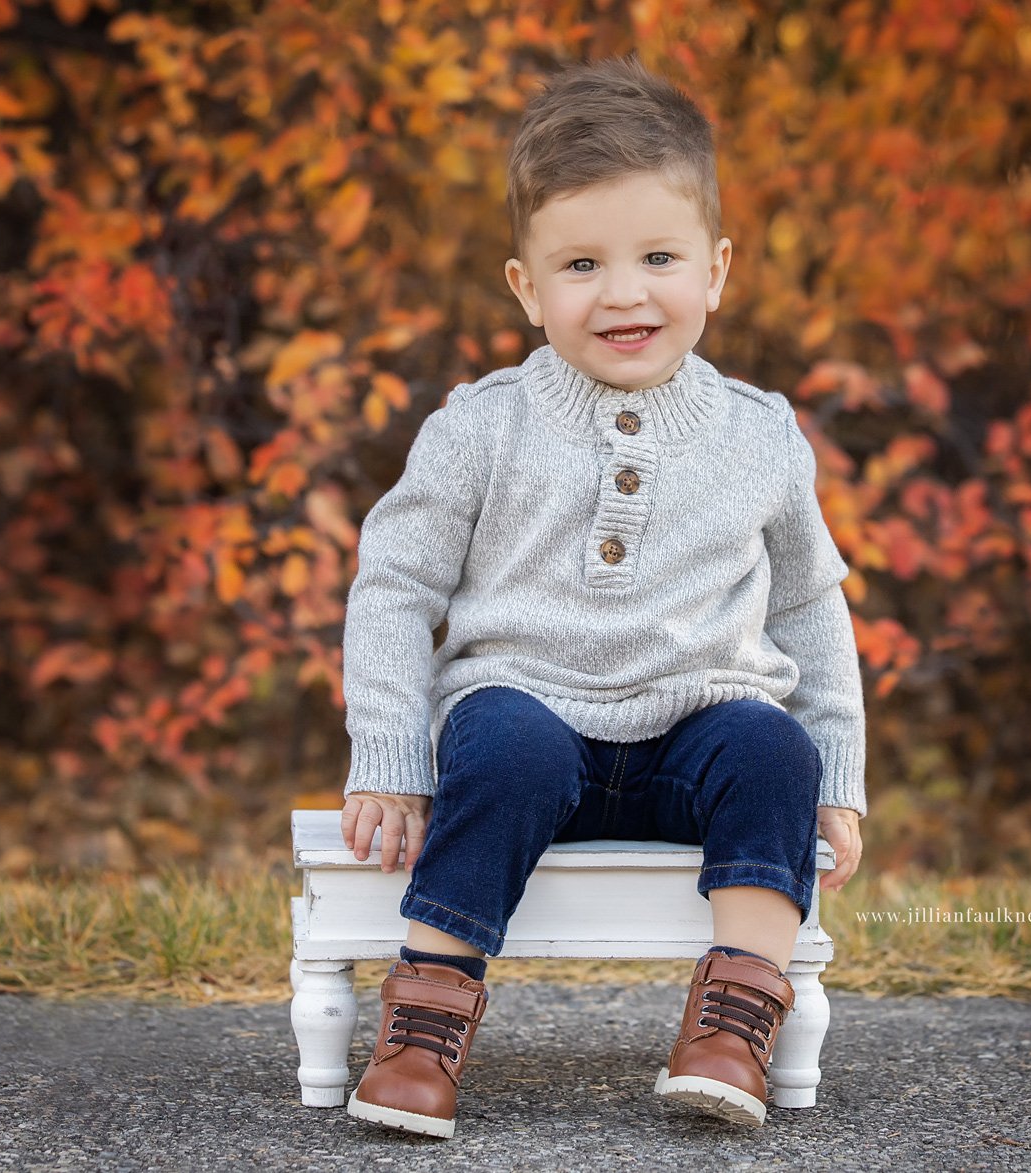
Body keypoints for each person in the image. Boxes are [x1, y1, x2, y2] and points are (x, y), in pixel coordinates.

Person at [336, 56, 865, 1139]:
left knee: (771, 752)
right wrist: (388, 754)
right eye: (581, 263)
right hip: (527, 716)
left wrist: (840, 774)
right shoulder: (482, 425)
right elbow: (393, 585)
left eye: (657, 258)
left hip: (698, 734)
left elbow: (809, 607)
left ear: (715, 272)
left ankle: (732, 1019)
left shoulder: (760, 434)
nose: (623, 292)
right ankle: (425, 1025)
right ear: (527, 287)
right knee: (500, 744)